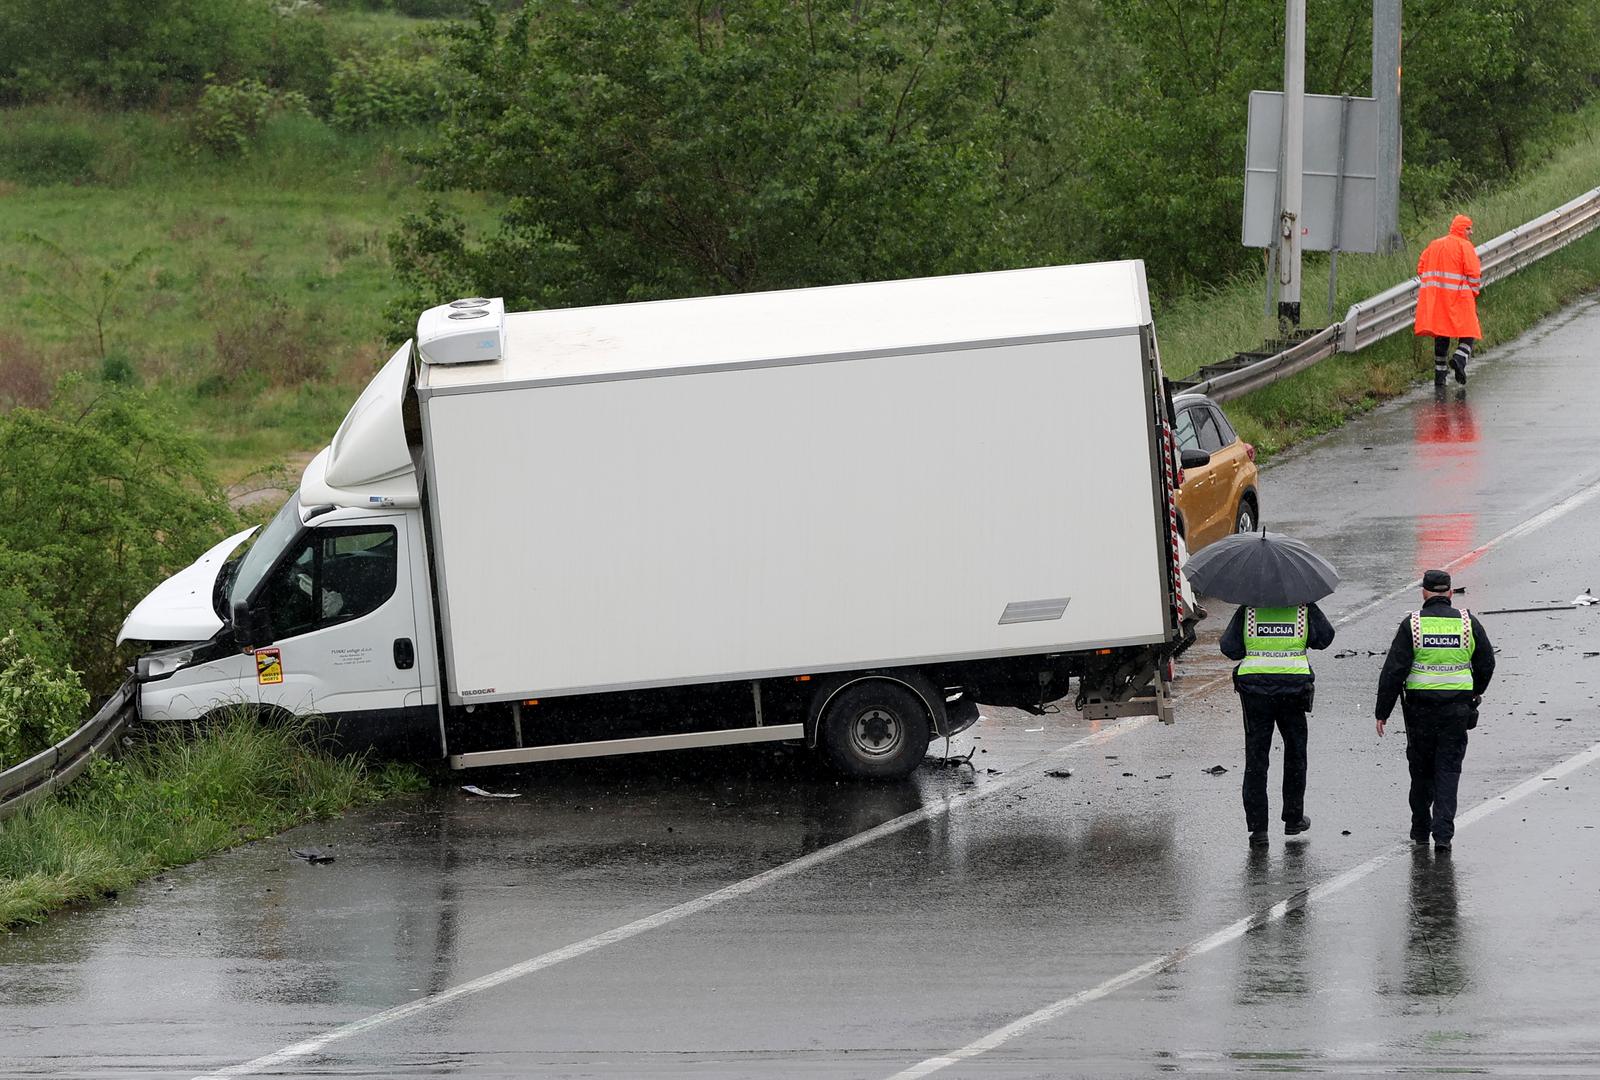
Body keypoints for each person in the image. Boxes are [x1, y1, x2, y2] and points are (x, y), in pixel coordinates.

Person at [1375, 570, 1496, 852]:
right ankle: (1443, 835)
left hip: (1420, 712)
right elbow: (1487, 662)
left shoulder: (1413, 625)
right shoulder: (1468, 624)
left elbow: (1394, 671)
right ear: (1450, 593)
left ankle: (1420, 829)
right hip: (1456, 710)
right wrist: (1474, 692)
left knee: (1421, 772)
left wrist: (1383, 711)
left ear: (1424, 593)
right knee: (1448, 771)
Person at [1220, 599, 1335, 845]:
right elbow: (1325, 638)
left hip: (1255, 691)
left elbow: (1229, 648)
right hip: (1293, 690)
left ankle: (1258, 829)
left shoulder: (1249, 609)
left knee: (1256, 759)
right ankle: (1293, 819)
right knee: (1295, 754)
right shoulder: (1304, 607)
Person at [1414, 215, 1482, 387]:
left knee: (1441, 333)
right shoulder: (1464, 246)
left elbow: (1421, 269)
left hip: (1437, 299)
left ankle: (1440, 374)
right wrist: (1473, 291)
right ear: (1460, 228)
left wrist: (1435, 288)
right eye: (1468, 228)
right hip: (1460, 296)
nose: (1471, 232)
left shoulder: (1434, 244)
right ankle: (1459, 359)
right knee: (1469, 330)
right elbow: (1473, 273)